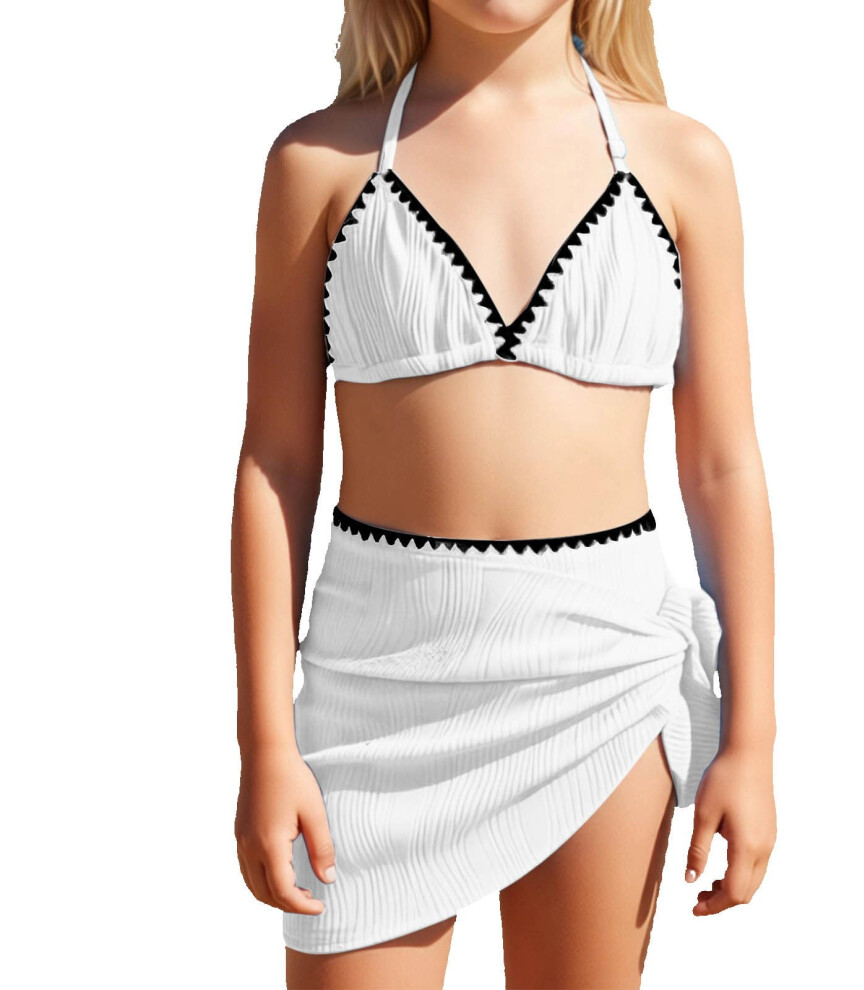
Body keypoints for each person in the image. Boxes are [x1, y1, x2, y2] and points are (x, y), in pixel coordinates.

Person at [231, 2, 776, 987]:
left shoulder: (682, 162)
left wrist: (754, 735)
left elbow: (723, 465)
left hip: (604, 675)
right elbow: (276, 462)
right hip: (372, 692)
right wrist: (264, 740)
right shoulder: (319, 163)